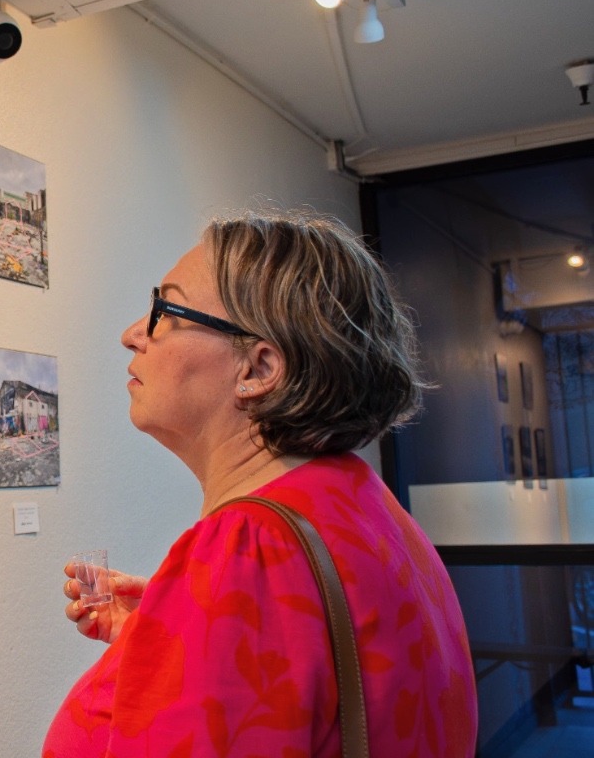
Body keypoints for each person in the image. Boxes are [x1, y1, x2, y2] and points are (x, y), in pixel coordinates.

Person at [45, 214, 477, 757]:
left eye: (166, 311)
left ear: (259, 367)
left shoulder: (248, 549)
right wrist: (174, 634)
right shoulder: (359, 500)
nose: (134, 334)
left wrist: (214, 609)